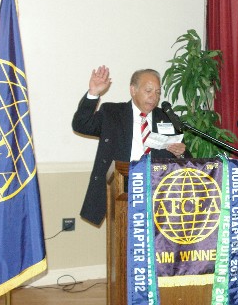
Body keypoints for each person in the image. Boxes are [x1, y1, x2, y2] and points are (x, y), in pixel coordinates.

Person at [72, 65, 189, 226]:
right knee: (123, 244)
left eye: (157, 92)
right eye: (148, 91)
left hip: (159, 193)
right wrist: (93, 93)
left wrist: (180, 153)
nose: (154, 97)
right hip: (122, 188)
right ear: (133, 90)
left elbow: (185, 157)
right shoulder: (112, 113)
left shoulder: (166, 117)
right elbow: (81, 124)